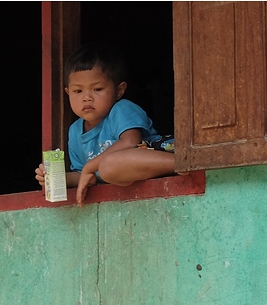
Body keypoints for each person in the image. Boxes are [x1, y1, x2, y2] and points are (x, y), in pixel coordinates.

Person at [35, 43, 176, 205]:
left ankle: (182, 164)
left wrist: (90, 167)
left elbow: (131, 142)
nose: (87, 97)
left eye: (97, 89)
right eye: (78, 91)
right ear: (68, 93)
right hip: (124, 176)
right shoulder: (74, 131)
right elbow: (86, 176)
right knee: (108, 169)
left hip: (161, 154)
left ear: (119, 90)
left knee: (108, 166)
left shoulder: (121, 109)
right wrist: (57, 178)